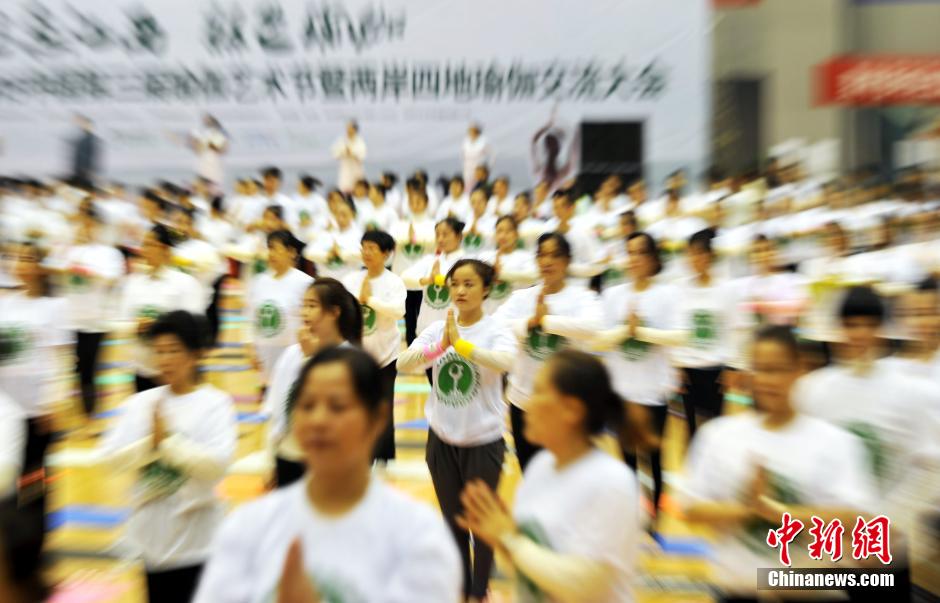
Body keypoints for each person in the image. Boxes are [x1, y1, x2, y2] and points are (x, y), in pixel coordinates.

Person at [194, 347, 462, 603]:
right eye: (307, 405)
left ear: (378, 418)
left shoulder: (418, 536)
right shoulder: (248, 528)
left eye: (337, 406)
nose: (319, 420)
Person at [682, 325, 878, 602]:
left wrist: (785, 514)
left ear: (800, 370)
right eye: (759, 369)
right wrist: (746, 509)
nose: (766, 380)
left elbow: (860, 520)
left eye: (776, 369)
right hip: (737, 589)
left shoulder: (834, 442)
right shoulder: (719, 435)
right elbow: (692, 509)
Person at [794, 286, 940, 600]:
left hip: (884, 545)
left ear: (881, 328)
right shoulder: (814, 389)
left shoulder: (908, 391)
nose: (860, 334)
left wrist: (887, 523)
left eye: (869, 325)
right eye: (852, 324)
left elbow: (930, 468)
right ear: (840, 328)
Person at [457, 351, 638, 602]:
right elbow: (529, 570)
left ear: (572, 409)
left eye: (539, 391)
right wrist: (501, 537)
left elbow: (584, 585)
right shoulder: (540, 467)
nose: (526, 403)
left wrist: (509, 539)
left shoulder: (612, 482)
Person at [399, 259, 517, 603]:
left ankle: (480, 591)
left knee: (481, 525)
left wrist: (462, 346)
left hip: (483, 442)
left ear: (486, 290)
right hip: (441, 441)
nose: (460, 291)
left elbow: (505, 362)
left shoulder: (497, 330)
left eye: (469, 284)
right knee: (452, 523)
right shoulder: (439, 328)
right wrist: (440, 347)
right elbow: (406, 363)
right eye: (455, 284)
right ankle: (462, 586)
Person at [99, 311, 237, 603]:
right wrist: (152, 443)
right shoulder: (141, 403)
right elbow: (110, 458)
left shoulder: (215, 404)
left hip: (198, 544)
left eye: (174, 350)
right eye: (159, 351)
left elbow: (216, 466)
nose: (165, 359)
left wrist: (169, 443)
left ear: (196, 354)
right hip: (152, 544)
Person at [494, 233, 603, 470]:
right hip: (523, 401)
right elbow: (496, 325)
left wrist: (547, 321)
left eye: (555, 255)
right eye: (542, 255)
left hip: (565, 404)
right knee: (530, 472)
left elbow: (594, 328)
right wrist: (530, 323)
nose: (547, 261)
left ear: (567, 261)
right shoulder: (523, 297)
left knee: (565, 474)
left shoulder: (582, 298)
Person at [593, 232, 681, 522]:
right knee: (626, 462)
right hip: (621, 392)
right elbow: (600, 341)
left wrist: (638, 331)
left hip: (653, 391)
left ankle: (655, 519)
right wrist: (624, 332)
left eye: (640, 253)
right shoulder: (613, 294)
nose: (634, 259)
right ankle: (632, 517)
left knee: (654, 460)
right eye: (629, 253)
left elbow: (677, 337)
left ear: (653, 258)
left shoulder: (668, 294)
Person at [0, 242, 71, 537]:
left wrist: (54, 401)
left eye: (29, 258)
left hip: (37, 408)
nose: (22, 264)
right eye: (18, 258)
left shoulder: (55, 307)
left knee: (32, 476)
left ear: (42, 267)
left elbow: (63, 359)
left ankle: (33, 537)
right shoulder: (5, 304)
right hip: (6, 408)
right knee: (6, 473)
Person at [264, 279, 362, 487]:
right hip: (290, 456)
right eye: (303, 306)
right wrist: (271, 458)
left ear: (334, 312)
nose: (304, 313)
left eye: (312, 306)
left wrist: (310, 357)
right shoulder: (292, 354)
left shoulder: (352, 359)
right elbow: (278, 410)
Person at [47, 204, 125, 416]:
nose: (85, 227)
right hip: (69, 319)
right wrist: (66, 262)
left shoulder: (109, 253)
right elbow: (51, 270)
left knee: (90, 367)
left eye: (90, 223)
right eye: (82, 222)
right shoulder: (68, 250)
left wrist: (89, 272)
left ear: (99, 226)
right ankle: (81, 407)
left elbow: (113, 279)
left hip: (95, 319)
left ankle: (90, 412)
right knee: (75, 367)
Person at [342, 231, 407, 463]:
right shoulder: (351, 280)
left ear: (386, 253)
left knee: (383, 410)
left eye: (372, 248)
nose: (366, 253)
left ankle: (385, 459)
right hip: (357, 357)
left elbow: (399, 311)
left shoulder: (394, 282)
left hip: (385, 357)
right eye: (364, 247)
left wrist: (369, 301)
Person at [118, 225, 206, 392]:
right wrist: (136, 326)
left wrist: (159, 326)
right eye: (143, 244)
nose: (144, 250)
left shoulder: (185, 283)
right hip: (142, 369)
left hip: (177, 372)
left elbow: (195, 325)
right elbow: (122, 321)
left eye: (150, 244)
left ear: (165, 249)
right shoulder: (133, 283)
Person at [674, 229, 737, 437]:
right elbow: (677, 327)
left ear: (711, 255)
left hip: (715, 370)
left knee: (717, 428)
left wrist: (730, 368)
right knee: (692, 429)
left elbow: (731, 329)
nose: (696, 258)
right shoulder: (680, 288)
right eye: (692, 253)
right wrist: (677, 365)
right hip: (689, 369)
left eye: (701, 253)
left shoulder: (726, 289)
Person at [247, 230, 313, 382]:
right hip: (264, 355)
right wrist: (250, 348)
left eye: (276, 248)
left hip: (294, 356)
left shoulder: (305, 283)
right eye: (269, 248)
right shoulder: (259, 281)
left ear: (291, 252)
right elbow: (251, 317)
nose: (271, 253)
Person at [402, 218, 468, 360]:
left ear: (458, 236)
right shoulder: (430, 260)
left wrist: (441, 280)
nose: (440, 238)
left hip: (456, 329)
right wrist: (427, 280)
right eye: (437, 234)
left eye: (445, 234)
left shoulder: (468, 262)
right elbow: (405, 277)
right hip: (427, 328)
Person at [391, 184, 437, 345]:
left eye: (419, 201)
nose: (415, 204)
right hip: (403, 276)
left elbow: (436, 243)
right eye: (412, 201)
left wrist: (415, 239)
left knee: (423, 317)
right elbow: (391, 242)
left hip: (424, 278)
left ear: (426, 203)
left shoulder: (433, 225)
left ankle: (425, 348)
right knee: (408, 317)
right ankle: (412, 347)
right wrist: (406, 238)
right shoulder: (400, 224)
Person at [475, 216, 537, 314]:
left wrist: (502, 274)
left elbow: (533, 277)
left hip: (514, 314)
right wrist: (491, 274)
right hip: (486, 314)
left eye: (508, 231)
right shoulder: (484, 256)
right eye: (499, 231)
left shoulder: (526, 257)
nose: (503, 235)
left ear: (516, 234)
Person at [304, 192, 363, 282]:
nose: (340, 218)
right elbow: (308, 253)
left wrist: (340, 253)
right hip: (324, 280)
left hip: (348, 282)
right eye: (337, 214)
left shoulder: (359, 234)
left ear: (353, 215)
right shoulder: (327, 233)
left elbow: (361, 254)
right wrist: (327, 255)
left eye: (344, 215)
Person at [531, 110, 580, 192]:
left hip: (562, 130)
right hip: (565, 132)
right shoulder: (560, 178)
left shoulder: (539, 172)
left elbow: (534, 142)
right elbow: (573, 157)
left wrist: (547, 125)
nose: (549, 146)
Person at [189, 115, 228, 191]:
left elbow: (223, 150)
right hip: (203, 162)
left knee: (214, 186)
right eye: (205, 121)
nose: (206, 122)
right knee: (201, 184)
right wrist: (195, 143)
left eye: (208, 121)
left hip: (215, 163)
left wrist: (214, 147)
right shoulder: (201, 134)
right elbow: (197, 150)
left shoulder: (220, 134)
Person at [332, 120, 367, 194]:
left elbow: (361, 157)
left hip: (356, 171)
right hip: (345, 171)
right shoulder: (341, 140)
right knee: (344, 191)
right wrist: (344, 152)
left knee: (358, 191)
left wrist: (351, 153)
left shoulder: (360, 142)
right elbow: (335, 154)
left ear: (355, 129)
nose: (348, 130)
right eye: (347, 128)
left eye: (350, 128)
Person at [70, 113, 100, 188]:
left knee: (86, 188)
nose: (83, 126)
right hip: (81, 170)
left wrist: (90, 170)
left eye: (86, 124)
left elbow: (93, 156)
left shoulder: (90, 140)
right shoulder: (82, 139)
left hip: (86, 171)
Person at [462, 124, 490, 190]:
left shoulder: (484, 142)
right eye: (470, 132)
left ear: (477, 132)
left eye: (473, 131)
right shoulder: (465, 142)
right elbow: (463, 156)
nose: (471, 134)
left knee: (479, 186)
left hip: (479, 169)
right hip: (468, 169)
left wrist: (486, 168)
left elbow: (492, 156)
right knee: (468, 186)